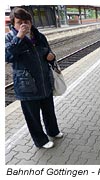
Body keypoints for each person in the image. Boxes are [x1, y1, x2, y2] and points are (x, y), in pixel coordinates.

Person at [5, 7, 63, 148]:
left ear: (31, 22)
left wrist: (51, 56)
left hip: (44, 80)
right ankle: (40, 141)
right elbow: (7, 56)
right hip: (26, 85)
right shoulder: (9, 38)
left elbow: (47, 52)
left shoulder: (39, 36)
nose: (24, 25)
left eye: (27, 21)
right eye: (20, 22)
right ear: (14, 24)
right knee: (33, 116)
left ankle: (53, 131)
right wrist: (19, 37)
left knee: (49, 110)